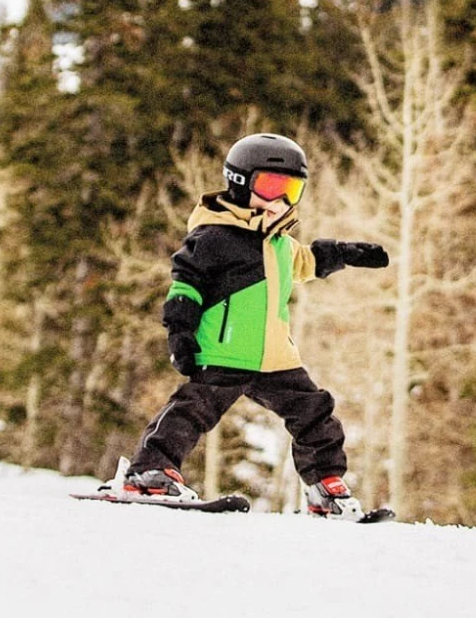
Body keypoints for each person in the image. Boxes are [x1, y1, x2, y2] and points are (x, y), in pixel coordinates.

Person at [114, 133, 389, 520]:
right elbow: (185, 285)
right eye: (271, 187)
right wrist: (180, 332)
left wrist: (345, 253)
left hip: (275, 357)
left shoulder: (279, 243)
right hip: (223, 349)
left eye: (292, 190)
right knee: (191, 412)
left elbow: (306, 261)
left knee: (315, 413)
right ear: (240, 182)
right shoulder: (214, 237)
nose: (280, 200)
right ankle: (149, 472)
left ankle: (325, 487)